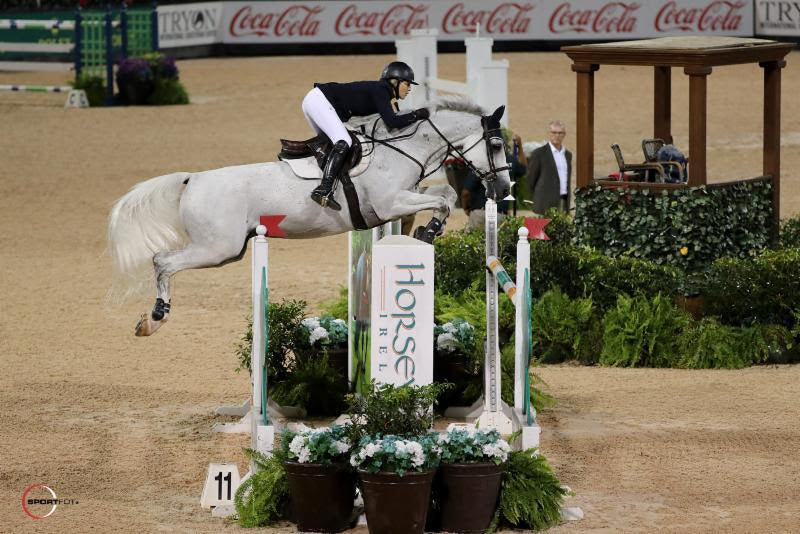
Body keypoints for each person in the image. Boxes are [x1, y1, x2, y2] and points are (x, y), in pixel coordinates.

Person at [302, 61, 430, 210]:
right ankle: (323, 190)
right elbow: (392, 122)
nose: (409, 89)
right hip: (320, 101)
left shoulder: (381, 91)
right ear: (395, 81)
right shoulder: (382, 90)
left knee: (332, 145)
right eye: (407, 84)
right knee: (343, 141)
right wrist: (417, 114)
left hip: (315, 100)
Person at [461, 129, 527, 231]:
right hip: (500, 215)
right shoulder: (510, 161)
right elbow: (523, 168)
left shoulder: (480, 162)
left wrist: (466, 208)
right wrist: (520, 146)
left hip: (480, 213)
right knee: (497, 246)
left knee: (473, 245)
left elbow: (466, 192)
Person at [527, 120, 572, 214]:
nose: (557, 135)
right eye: (554, 132)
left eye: (560, 133)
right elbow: (531, 179)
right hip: (544, 202)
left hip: (563, 201)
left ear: (564, 135)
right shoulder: (539, 153)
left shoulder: (568, 155)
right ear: (548, 133)